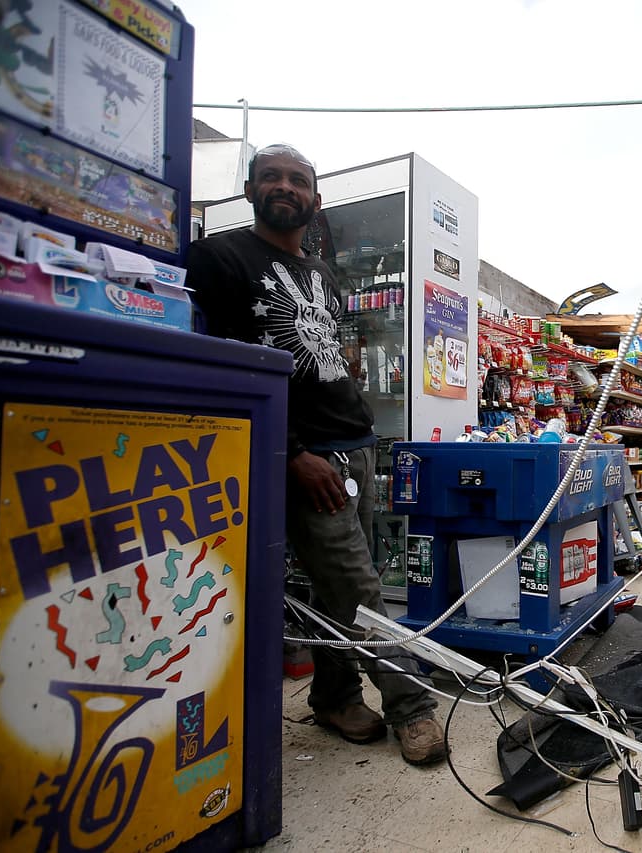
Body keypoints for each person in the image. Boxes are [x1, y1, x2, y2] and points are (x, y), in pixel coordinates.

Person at [186, 143, 446, 765]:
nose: (285, 187)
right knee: (362, 592)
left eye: (298, 180)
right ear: (249, 190)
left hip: (355, 447)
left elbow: (328, 360)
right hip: (301, 455)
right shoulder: (218, 258)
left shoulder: (322, 274)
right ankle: (412, 708)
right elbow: (222, 370)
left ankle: (333, 696)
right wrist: (290, 453)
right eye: (271, 177)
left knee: (342, 590)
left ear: (315, 200)